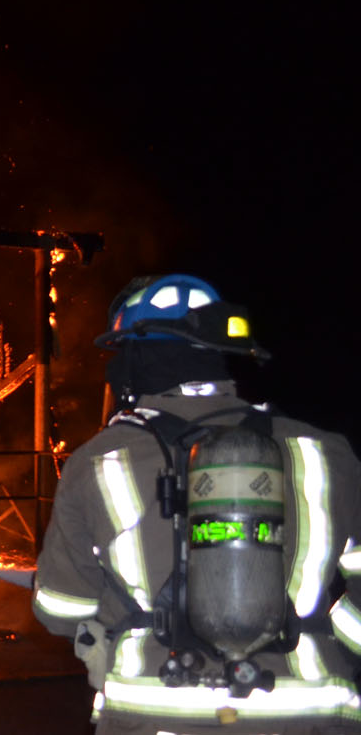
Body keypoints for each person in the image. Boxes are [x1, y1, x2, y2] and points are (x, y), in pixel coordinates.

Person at [33, 274, 361, 733]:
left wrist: (119, 620)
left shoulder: (100, 461)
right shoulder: (325, 452)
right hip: (314, 712)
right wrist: (331, 640)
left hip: (155, 714)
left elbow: (60, 607)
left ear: (134, 357)